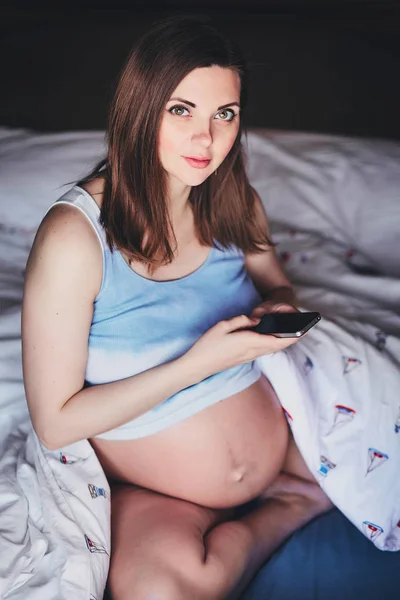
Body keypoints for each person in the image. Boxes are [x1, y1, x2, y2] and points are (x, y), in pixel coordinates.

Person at [21, 15, 332, 600]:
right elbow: (55, 420)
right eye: (181, 110)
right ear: (139, 110)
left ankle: (292, 490)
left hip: (281, 442)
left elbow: (278, 286)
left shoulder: (233, 200)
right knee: (161, 591)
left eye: (226, 115)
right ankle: (291, 509)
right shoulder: (76, 237)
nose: (206, 140)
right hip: (156, 489)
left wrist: (277, 314)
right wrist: (201, 360)